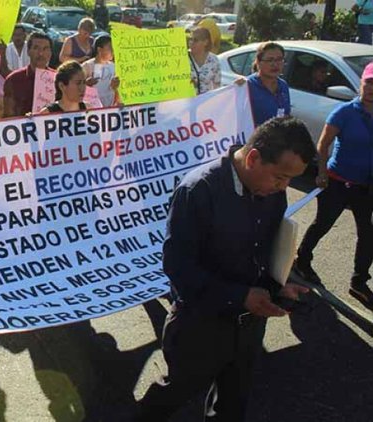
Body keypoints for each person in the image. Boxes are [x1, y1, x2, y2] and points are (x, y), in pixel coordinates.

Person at [134, 116, 316, 422]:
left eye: (289, 180)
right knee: (177, 391)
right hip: (199, 323)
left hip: (249, 325)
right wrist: (238, 295)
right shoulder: (198, 190)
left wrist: (278, 286)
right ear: (254, 157)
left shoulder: (273, 192)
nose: (284, 188)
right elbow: (178, 267)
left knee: (233, 402)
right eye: (280, 178)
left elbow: (265, 252)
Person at [293, 62, 373, 305]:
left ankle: (358, 282)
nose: (372, 88)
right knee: (323, 224)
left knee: (368, 234)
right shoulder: (345, 112)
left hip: (366, 186)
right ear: (361, 83)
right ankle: (302, 261)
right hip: (337, 181)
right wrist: (322, 172)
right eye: (369, 82)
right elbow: (323, 144)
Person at [3, 32, 53, 117]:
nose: (41, 53)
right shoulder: (13, 79)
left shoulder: (57, 79)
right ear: (28, 51)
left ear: (50, 53)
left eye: (45, 49)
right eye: (36, 48)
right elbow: (8, 115)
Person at [247, 42, 290, 127]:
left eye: (279, 59)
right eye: (270, 60)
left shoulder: (283, 85)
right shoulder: (248, 86)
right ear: (258, 62)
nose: (275, 64)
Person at [82, 34, 120, 107]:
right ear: (99, 49)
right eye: (110, 48)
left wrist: (116, 88)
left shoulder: (114, 66)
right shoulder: (87, 66)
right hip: (92, 108)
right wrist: (86, 84)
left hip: (110, 108)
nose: (113, 51)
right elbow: (77, 88)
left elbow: (118, 92)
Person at [188, 27, 221, 95]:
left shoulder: (213, 60)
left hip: (205, 103)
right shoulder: (182, 59)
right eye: (190, 39)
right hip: (186, 103)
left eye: (195, 40)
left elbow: (217, 86)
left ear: (205, 42)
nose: (191, 42)